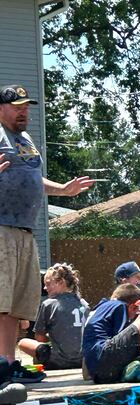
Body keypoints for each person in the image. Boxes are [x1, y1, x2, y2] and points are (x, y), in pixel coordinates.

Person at [0, 84, 93, 362]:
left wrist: (63, 189)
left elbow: (31, 179)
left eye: (26, 106)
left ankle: (7, 363)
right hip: (1, 228)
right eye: (17, 107)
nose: (23, 112)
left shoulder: (25, 138)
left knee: (15, 306)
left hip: (25, 230)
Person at [82, 283, 140, 383]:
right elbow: (123, 337)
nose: (133, 317)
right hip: (104, 355)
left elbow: (122, 344)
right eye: (135, 312)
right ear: (133, 306)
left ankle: (128, 371)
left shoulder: (101, 309)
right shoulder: (119, 306)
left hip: (99, 373)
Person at [18, 263, 88, 369]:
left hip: (59, 361)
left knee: (23, 342)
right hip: (83, 360)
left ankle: (42, 364)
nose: (45, 288)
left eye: (48, 284)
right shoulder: (84, 303)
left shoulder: (49, 304)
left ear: (61, 282)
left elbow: (39, 338)